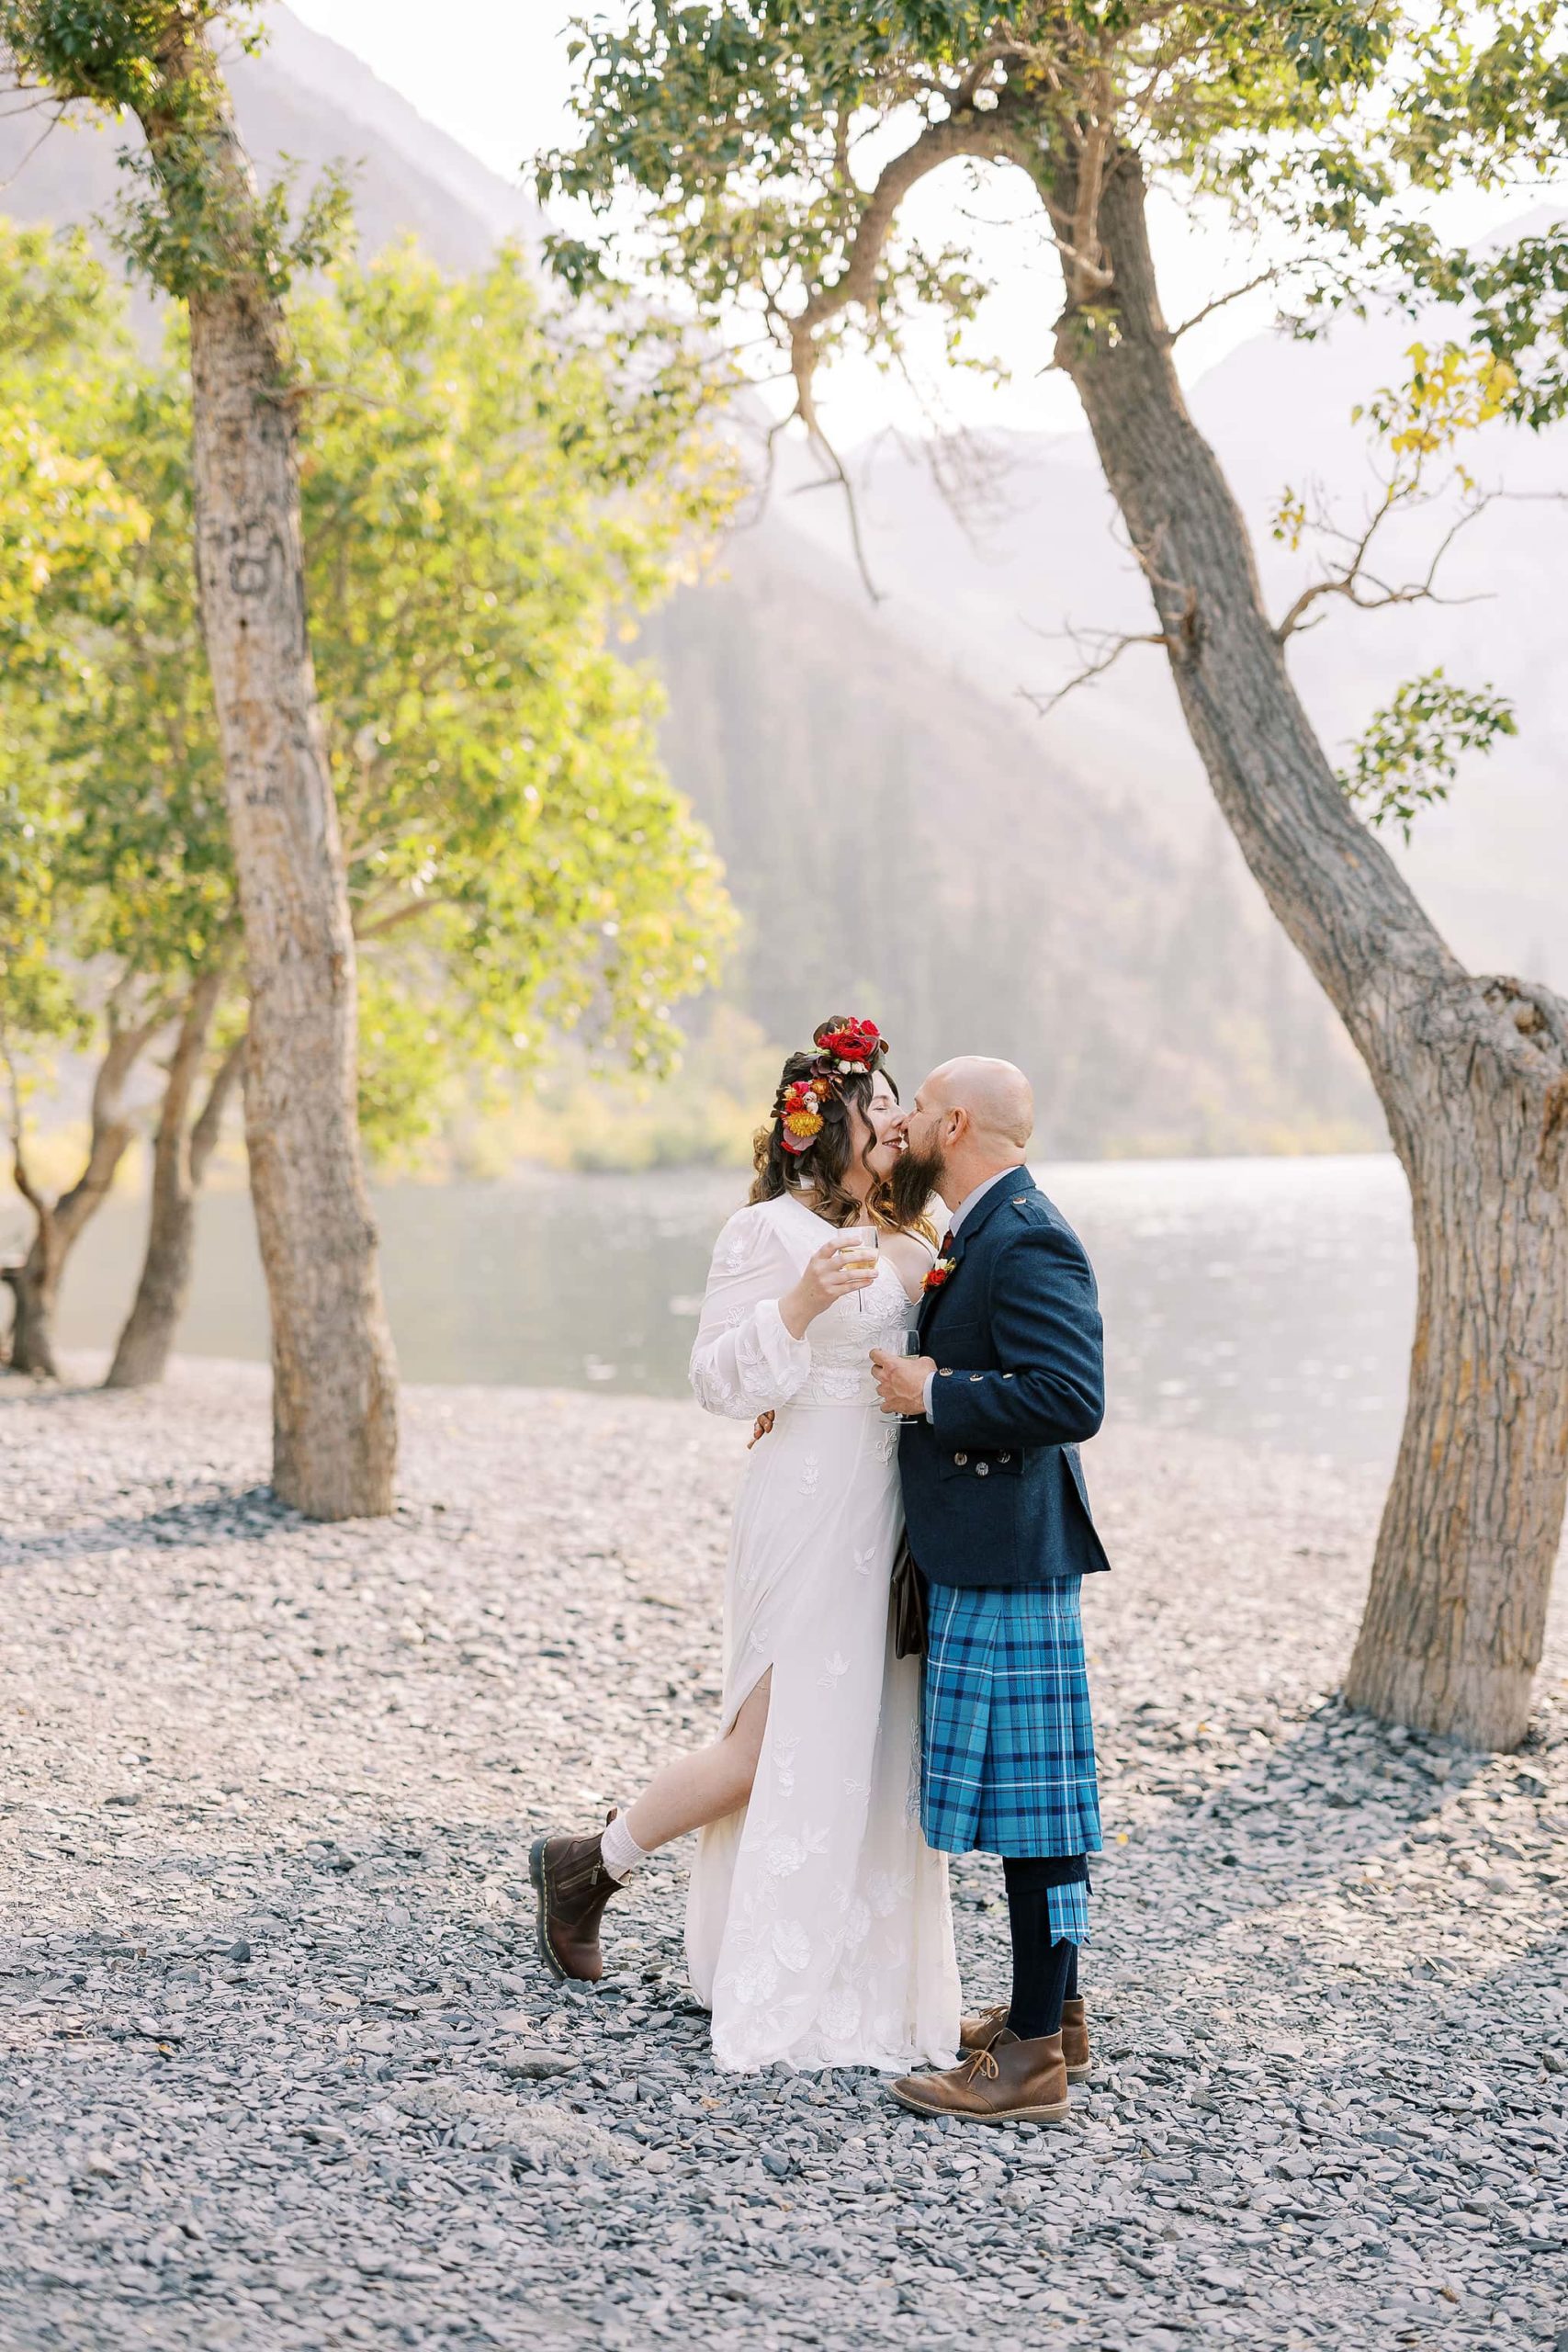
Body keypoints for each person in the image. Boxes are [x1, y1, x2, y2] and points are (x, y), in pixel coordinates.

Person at [530, 1017, 960, 2072]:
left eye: (901, 1098)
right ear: (823, 1127)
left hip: (887, 1509)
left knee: (867, 1733)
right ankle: (591, 1862)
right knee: (767, 1738)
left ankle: (858, 1968)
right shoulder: (764, 1234)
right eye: (879, 1103)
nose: (896, 1115)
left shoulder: (913, 1224)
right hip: (804, 1496)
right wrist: (801, 1306)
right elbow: (720, 1382)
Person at [871, 1056, 1111, 2126]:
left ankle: (1029, 2063)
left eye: (918, 1107)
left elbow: (1071, 1396)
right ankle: (1049, 2015)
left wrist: (938, 1390)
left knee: (1039, 1807)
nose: (908, 1121)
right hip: (993, 1548)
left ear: (954, 1120)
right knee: (1035, 1798)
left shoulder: (1026, 1232)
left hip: (1013, 1555)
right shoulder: (981, 1223)